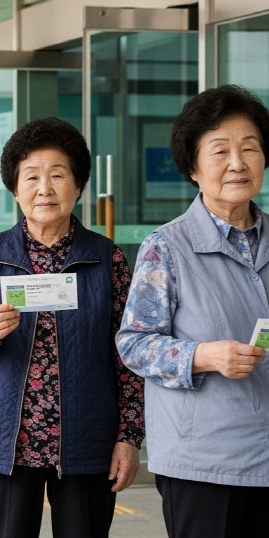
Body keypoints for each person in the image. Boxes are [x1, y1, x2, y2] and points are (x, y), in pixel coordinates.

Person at [0, 117, 143, 538]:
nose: (44, 188)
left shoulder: (107, 259)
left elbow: (129, 356)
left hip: (87, 438)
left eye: (58, 175)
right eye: (31, 177)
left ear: (78, 185)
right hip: (6, 441)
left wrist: (129, 437)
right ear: (15, 190)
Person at [117, 85, 269, 538]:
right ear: (193, 168)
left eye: (250, 148)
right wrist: (203, 356)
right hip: (205, 462)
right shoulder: (166, 247)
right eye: (220, 151)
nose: (237, 163)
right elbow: (134, 343)